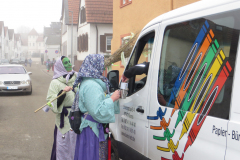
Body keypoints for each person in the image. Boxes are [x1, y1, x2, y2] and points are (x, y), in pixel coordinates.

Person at [73, 54, 120, 160]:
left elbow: (98, 102)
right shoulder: (91, 86)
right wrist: (112, 99)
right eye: (102, 64)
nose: (103, 68)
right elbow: (97, 111)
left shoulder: (91, 83)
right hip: (92, 131)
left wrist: (112, 97)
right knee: (92, 156)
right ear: (95, 66)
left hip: (91, 128)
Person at [44, 56, 77, 160]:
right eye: (65, 63)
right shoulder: (55, 82)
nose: (69, 64)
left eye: (69, 62)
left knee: (76, 148)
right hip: (64, 122)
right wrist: (62, 93)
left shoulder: (76, 78)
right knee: (64, 148)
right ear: (60, 66)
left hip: (77, 120)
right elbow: (50, 101)